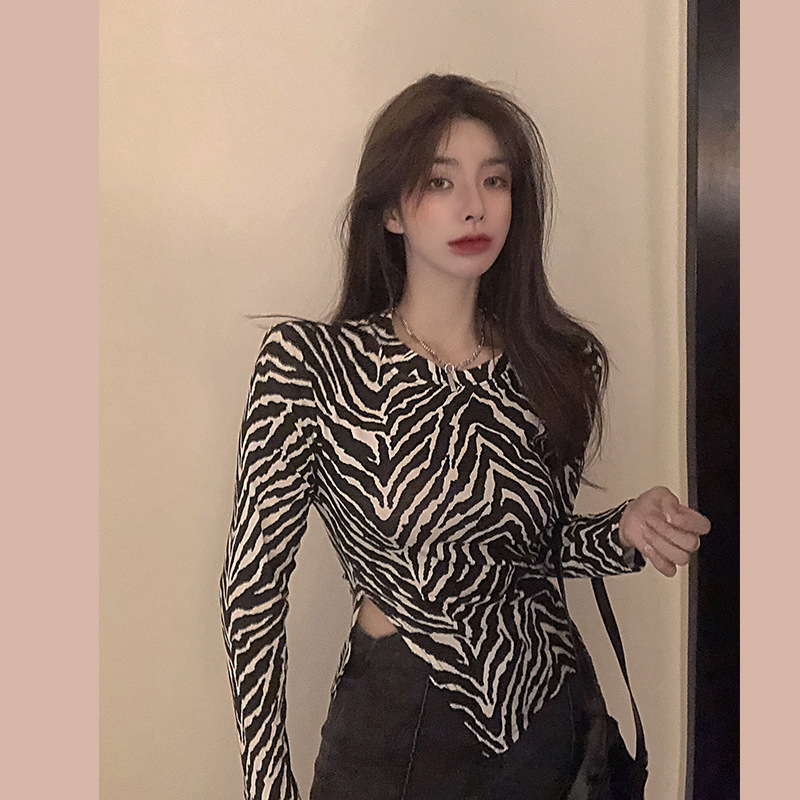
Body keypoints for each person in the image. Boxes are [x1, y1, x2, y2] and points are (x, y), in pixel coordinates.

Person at [219, 74, 710, 800]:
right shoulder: (312, 366)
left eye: (495, 180)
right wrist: (267, 785)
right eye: (440, 181)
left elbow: (529, 552)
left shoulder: (557, 363)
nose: (474, 205)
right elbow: (252, 593)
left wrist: (622, 531)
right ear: (392, 210)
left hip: (547, 718)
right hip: (400, 725)